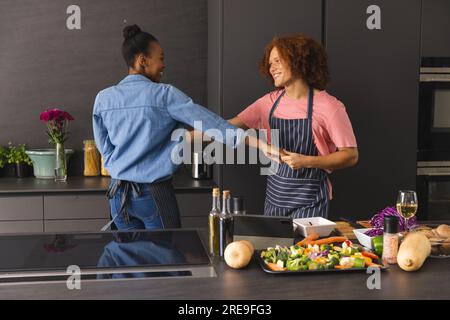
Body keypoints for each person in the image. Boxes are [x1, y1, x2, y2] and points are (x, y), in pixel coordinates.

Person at [93, 25, 274, 231]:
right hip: (153, 194)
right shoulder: (164, 94)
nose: (164, 65)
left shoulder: (103, 98)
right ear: (142, 60)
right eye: (160, 58)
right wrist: (259, 144)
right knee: (166, 258)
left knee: (129, 258)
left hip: (117, 194)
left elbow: (104, 147)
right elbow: (210, 123)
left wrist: (118, 166)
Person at [229, 34, 358, 218]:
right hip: (275, 198)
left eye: (277, 61)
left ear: (298, 61)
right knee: (274, 248)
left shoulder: (330, 107)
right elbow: (225, 127)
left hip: (310, 201)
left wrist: (306, 161)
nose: (271, 68)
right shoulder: (268, 103)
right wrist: (186, 135)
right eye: (269, 63)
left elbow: (351, 155)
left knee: (306, 248)